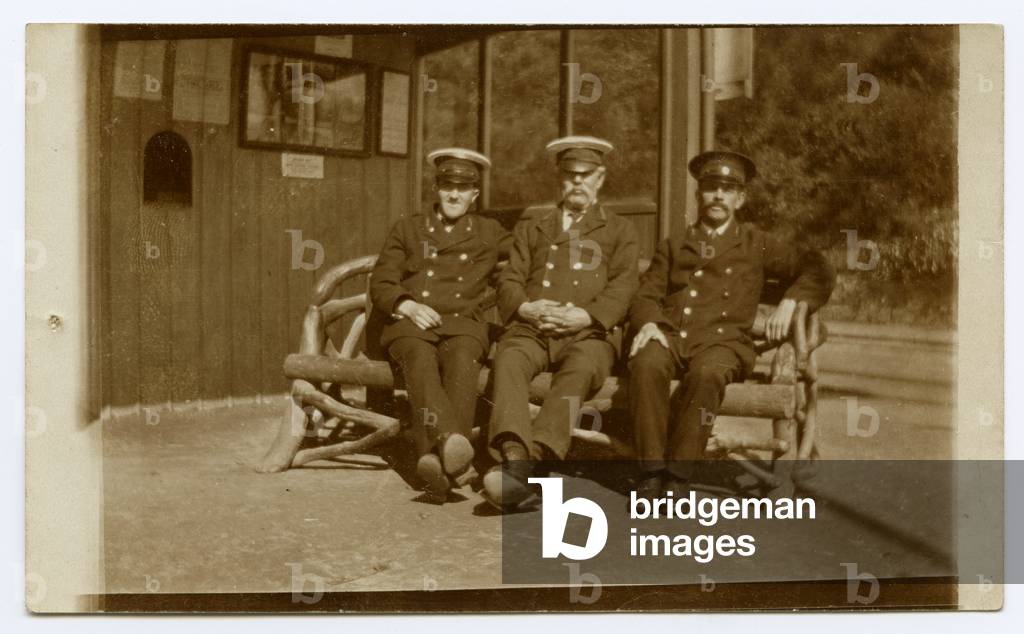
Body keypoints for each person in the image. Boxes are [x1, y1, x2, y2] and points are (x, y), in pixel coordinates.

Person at [627, 150, 836, 498]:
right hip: (673, 337)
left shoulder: (757, 243)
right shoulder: (675, 245)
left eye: (727, 190)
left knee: (707, 374)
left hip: (724, 344)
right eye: (711, 188)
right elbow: (647, 293)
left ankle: (678, 477)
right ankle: (650, 473)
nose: (718, 197)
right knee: (647, 363)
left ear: (740, 199)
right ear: (699, 196)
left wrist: (791, 299)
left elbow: (818, 266)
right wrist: (649, 324)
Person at [483, 136, 640, 510]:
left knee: (580, 370)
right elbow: (509, 279)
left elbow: (624, 286)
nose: (578, 183)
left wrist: (585, 315)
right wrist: (525, 309)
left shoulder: (619, 230)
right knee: (509, 359)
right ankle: (516, 456)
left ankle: (527, 462)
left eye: (586, 176)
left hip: (588, 334)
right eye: (570, 176)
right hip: (533, 328)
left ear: (600, 179)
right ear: (560, 179)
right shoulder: (535, 226)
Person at [370, 148, 511, 501]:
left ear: (474, 195)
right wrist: (407, 304)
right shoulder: (408, 228)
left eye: (463, 189)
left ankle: (434, 462)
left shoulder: (490, 231)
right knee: (418, 358)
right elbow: (383, 280)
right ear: (437, 187)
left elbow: (528, 255)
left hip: (463, 324)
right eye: (448, 185)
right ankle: (452, 449)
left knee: (463, 359)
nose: (454, 194)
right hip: (411, 323)